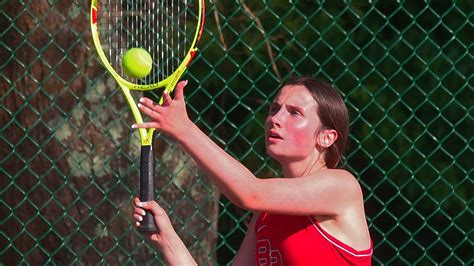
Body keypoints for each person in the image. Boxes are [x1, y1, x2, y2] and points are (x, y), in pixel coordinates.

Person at [132, 76, 373, 265]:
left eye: (294, 112)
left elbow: (250, 193)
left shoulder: (342, 187)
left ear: (326, 137)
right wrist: (166, 239)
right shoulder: (266, 214)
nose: (275, 119)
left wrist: (184, 129)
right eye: (274, 109)